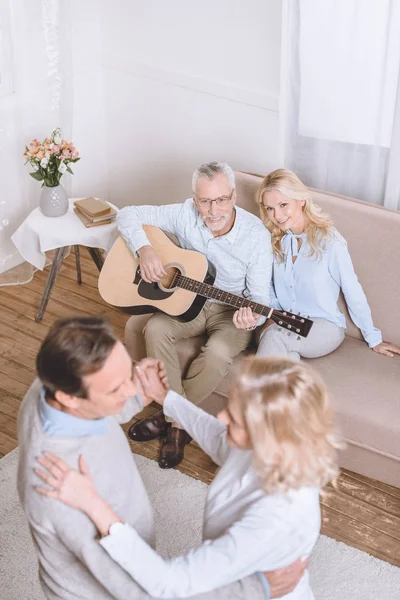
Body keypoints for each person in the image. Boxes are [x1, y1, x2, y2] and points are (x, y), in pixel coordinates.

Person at [18, 315, 305, 600]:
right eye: (117, 388)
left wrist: (142, 396)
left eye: (127, 372)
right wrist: (256, 590)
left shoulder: (52, 386)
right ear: (69, 398)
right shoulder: (58, 487)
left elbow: (222, 441)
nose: (130, 387)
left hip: (135, 554)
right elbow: (142, 592)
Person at [118, 160, 272, 468]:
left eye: (221, 200)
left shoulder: (255, 236)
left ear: (233, 197)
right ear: (194, 198)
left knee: (217, 352)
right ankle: (181, 422)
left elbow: (260, 298)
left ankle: (174, 422)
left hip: (233, 310)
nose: (214, 210)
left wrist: (253, 317)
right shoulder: (183, 213)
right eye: (205, 201)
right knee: (155, 328)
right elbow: (126, 213)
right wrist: (144, 249)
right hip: (190, 301)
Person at [233, 168, 400, 361]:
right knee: (285, 355)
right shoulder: (274, 241)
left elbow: (352, 290)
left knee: (274, 336)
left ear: (301, 200)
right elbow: (270, 289)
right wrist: (268, 316)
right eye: (270, 208)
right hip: (282, 322)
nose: (277, 215)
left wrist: (374, 338)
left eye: (283, 204)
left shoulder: (330, 242)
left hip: (324, 326)